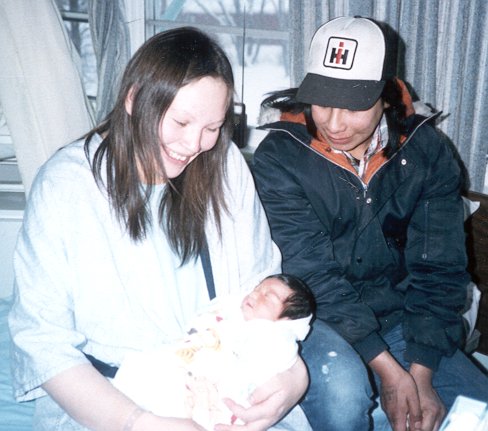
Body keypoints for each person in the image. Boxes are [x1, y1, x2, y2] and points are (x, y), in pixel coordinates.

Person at [8, 27, 309, 431]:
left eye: (213, 127)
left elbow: (259, 284)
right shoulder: (66, 186)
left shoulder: (224, 165)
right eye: (181, 121)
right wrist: (140, 422)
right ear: (134, 99)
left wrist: (292, 374)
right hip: (112, 401)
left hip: (223, 384)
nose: (194, 144)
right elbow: (43, 342)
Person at [252, 16, 488, 431]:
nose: (334, 123)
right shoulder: (279, 156)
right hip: (319, 319)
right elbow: (311, 271)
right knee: (345, 402)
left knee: (478, 409)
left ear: (385, 95)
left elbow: (440, 267)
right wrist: (390, 373)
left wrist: (421, 373)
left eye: (353, 105)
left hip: (403, 318)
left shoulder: (427, 150)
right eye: (321, 101)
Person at [112, 273, 316, 430]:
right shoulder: (230, 310)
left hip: (218, 391)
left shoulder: (275, 339)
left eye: (267, 297)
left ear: (286, 321)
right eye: (257, 288)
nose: (254, 294)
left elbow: (258, 369)